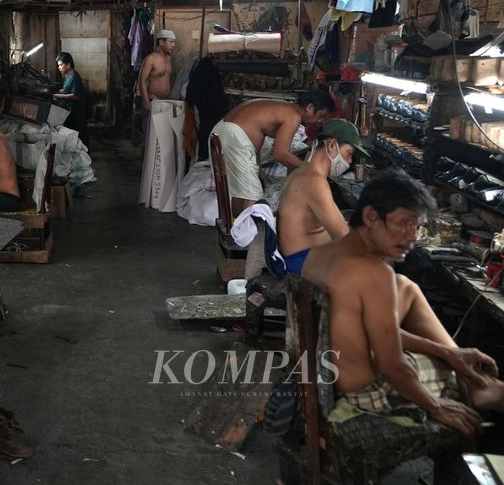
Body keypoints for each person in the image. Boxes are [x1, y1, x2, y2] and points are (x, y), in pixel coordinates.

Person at [302, 170, 504, 433]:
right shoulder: (375, 274)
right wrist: (436, 406)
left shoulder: (319, 254)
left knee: (405, 286)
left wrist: (449, 353)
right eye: (405, 223)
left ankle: (466, 370)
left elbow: (364, 331)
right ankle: (477, 387)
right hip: (368, 392)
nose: (412, 237)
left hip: (327, 370)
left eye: (418, 227)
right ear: (371, 217)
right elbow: (392, 366)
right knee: (480, 386)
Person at [210, 89, 335, 217]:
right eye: (320, 116)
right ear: (310, 107)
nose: (319, 121)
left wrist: (258, 169)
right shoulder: (293, 115)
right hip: (233, 135)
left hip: (223, 131)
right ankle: (245, 232)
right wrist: (311, 169)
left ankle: (236, 226)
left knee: (241, 192)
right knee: (252, 195)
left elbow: (254, 140)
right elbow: (280, 154)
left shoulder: (284, 107)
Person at [276, 119, 366, 276]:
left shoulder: (303, 171)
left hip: (302, 257)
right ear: (331, 145)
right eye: (349, 153)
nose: (350, 161)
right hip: (302, 262)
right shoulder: (314, 181)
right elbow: (343, 235)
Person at [138, 28, 176, 138]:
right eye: (170, 42)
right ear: (161, 42)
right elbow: (142, 80)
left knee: (160, 139)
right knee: (149, 138)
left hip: (163, 103)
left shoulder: (168, 59)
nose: (173, 45)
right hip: (151, 101)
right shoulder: (151, 59)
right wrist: (147, 103)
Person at [52, 52, 88, 142]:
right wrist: (55, 91)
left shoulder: (74, 77)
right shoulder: (69, 76)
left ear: (68, 65)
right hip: (70, 111)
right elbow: (66, 89)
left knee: (76, 140)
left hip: (75, 113)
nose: (59, 67)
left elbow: (75, 96)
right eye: (58, 65)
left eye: (61, 65)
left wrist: (55, 95)